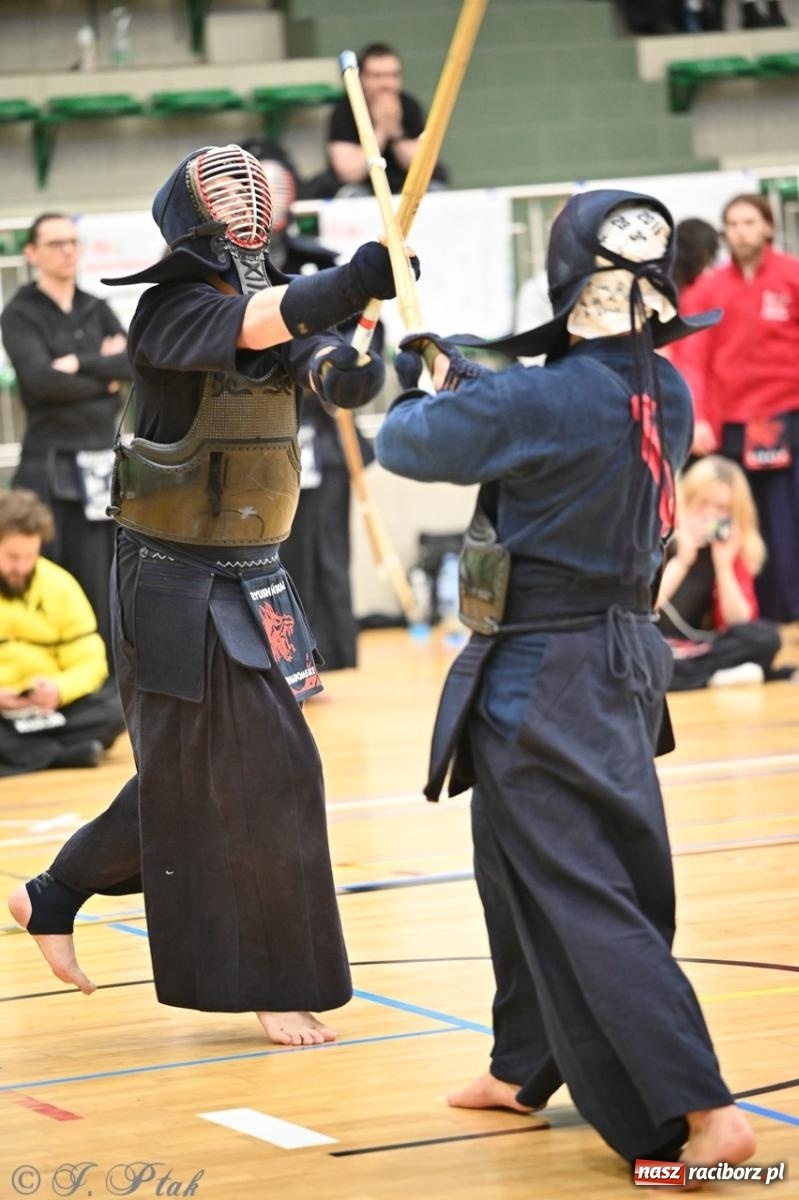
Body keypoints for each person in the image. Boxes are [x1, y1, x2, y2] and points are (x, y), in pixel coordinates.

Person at [375, 190, 756, 1172]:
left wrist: (424, 383)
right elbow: (532, 404)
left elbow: (408, 441)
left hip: (552, 668)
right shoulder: (658, 388)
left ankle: (702, 1108)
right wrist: (460, 366)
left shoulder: (537, 401)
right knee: (511, 863)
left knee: (582, 889)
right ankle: (521, 1064)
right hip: (618, 660)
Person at [7, 143, 417, 1046]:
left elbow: (322, 365)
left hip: (254, 571)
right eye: (225, 189)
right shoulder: (172, 311)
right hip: (170, 579)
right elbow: (270, 318)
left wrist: (357, 357)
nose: (245, 200)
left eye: (251, 187)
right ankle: (267, 981)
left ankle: (51, 894)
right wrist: (349, 279)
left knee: (192, 779)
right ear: (189, 219)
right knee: (269, 775)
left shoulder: (258, 304)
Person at [240, 136, 374, 671]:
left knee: (325, 548)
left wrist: (344, 365)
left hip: (319, 421)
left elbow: (357, 328)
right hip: (253, 427)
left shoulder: (316, 263)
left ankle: (332, 652)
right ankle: (274, 658)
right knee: (269, 551)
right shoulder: (215, 273)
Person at [0, 212, 132, 660]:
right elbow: (39, 383)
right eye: (56, 243)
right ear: (33, 253)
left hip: (99, 467)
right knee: (52, 574)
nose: (67, 251)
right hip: (48, 467)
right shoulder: (19, 313)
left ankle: (107, 678)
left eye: (73, 242)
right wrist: (103, 375)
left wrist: (77, 364)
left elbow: (133, 365)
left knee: (105, 575)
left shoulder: (96, 307)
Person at [671, 193, 799, 623]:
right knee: (739, 519)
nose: (741, 230)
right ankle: (745, 614)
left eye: (749, 222)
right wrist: (700, 417)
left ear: (767, 227)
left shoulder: (791, 275)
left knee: (788, 518)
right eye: (733, 223)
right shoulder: (710, 288)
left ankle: (792, 610)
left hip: (785, 414)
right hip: (732, 424)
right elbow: (693, 356)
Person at [0, 488, 125, 776]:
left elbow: (91, 661)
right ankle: (63, 755)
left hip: (52, 710)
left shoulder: (60, 585)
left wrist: (58, 691)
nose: (21, 567)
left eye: (29, 556)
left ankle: (22, 754)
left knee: (116, 708)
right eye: (12, 557)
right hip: (2, 712)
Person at [657, 455, 785, 689]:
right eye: (702, 503)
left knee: (767, 637)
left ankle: (697, 675)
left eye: (721, 508)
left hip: (695, 648)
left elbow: (740, 623)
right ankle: (712, 676)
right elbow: (645, 607)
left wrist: (724, 567)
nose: (710, 514)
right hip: (655, 642)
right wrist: (682, 562)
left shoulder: (732, 550)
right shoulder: (663, 540)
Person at [305, 42, 448, 200]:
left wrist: (395, 133)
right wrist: (380, 131)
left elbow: (423, 166)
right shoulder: (345, 110)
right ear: (362, 78)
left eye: (393, 75)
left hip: (404, 187)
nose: (386, 84)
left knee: (435, 191)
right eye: (377, 76)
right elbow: (348, 172)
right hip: (362, 189)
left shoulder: (409, 106)